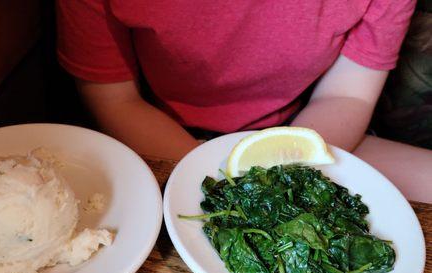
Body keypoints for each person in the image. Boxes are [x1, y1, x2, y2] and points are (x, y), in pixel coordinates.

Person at [56, 1, 432, 203]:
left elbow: (345, 96)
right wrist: (220, 184)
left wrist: (267, 183)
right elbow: (117, 101)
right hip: (160, 137)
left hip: (307, 131)